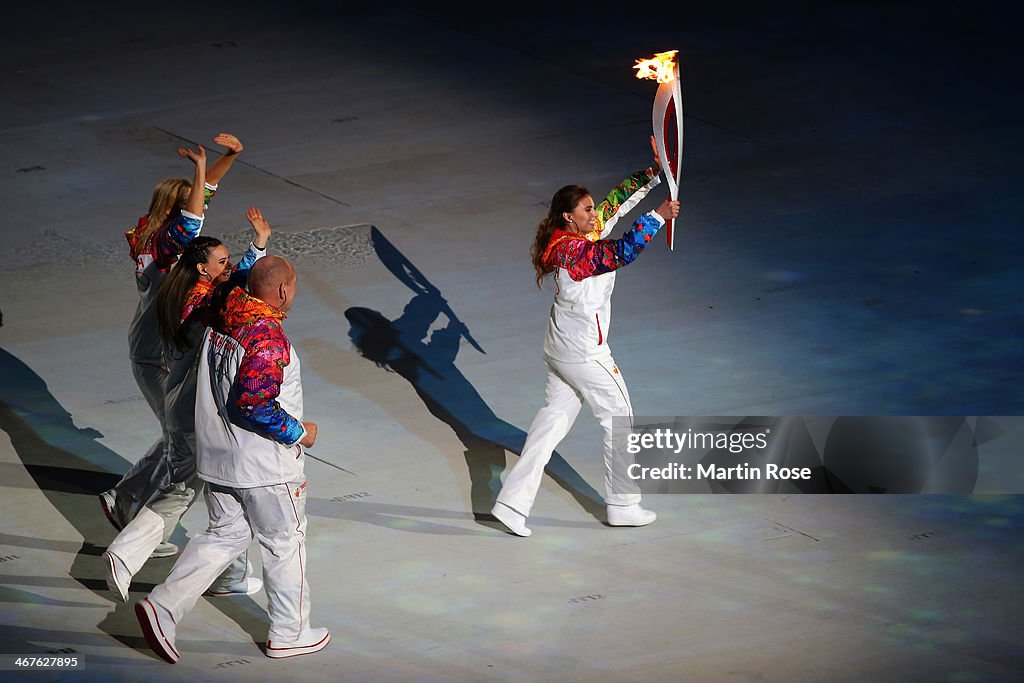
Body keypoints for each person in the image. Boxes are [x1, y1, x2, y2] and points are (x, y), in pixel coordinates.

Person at [136, 255, 330, 663]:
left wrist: (255, 249)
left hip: (218, 459)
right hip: (265, 467)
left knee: (225, 536)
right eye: (292, 285)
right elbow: (253, 403)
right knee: (284, 543)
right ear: (282, 291)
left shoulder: (223, 310)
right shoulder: (267, 339)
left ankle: (163, 606)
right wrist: (300, 432)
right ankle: (290, 632)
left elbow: (224, 281)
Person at [490, 141, 680, 537]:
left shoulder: (575, 235)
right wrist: (658, 217)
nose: (596, 214)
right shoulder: (575, 252)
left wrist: (654, 171)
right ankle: (623, 505)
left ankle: (510, 505)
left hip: (559, 350)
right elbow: (623, 252)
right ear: (568, 217)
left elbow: (615, 203)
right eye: (587, 210)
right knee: (620, 419)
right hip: (584, 354)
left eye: (592, 208)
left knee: (549, 427)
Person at [103, 208, 271, 603]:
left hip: (185, 408)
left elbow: (232, 285)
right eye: (222, 262)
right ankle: (126, 554)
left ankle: (230, 574)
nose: (228, 267)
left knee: (224, 493)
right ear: (201, 268)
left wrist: (257, 245)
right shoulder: (202, 303)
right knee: (193, 491)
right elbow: (242, 296)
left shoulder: (183, 293)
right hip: (201, 415)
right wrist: (258, 256)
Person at [99, 134, 246, 554]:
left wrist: (228, 157)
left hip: (155, 348)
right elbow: (194, 217)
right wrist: (200, 170)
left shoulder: (154, 234)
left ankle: (124, 500)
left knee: (178, 435)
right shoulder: (169, 242)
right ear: (173, 208)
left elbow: (202, 201)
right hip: (157, 354)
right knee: (183, 439)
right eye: (192, 201)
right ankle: (130, 513)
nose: (201, 203)